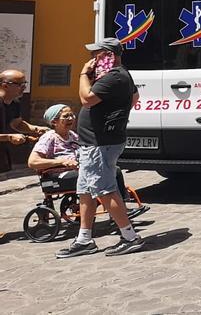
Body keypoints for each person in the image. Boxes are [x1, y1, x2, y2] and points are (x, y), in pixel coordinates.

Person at [56, 38, 144, 258]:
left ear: (108, 55)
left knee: (104, 190)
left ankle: (130, 237)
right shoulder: (119, 75)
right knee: (85, 191)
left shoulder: (114, 76)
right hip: (94, 142)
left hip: (100, 143)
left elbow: (86, 99)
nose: (93, 58)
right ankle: (84, 239)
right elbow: (135, 97)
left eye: (97, 54)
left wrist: (83, 74)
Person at [1, 69, 46, 174]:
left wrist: (36, 129)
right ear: (5, 85)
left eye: (24, 83)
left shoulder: (14, 102)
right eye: (19, 84)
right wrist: (8, 137)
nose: (24, 87)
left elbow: (17, 123)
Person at [28, 104, 79, 175]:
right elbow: (33, 162)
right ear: (54, 122)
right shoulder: (49, 137)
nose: (71, 118)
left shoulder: (72, 135)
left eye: (72, 115)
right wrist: (63, 162)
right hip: (59, 176)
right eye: (66, 116)